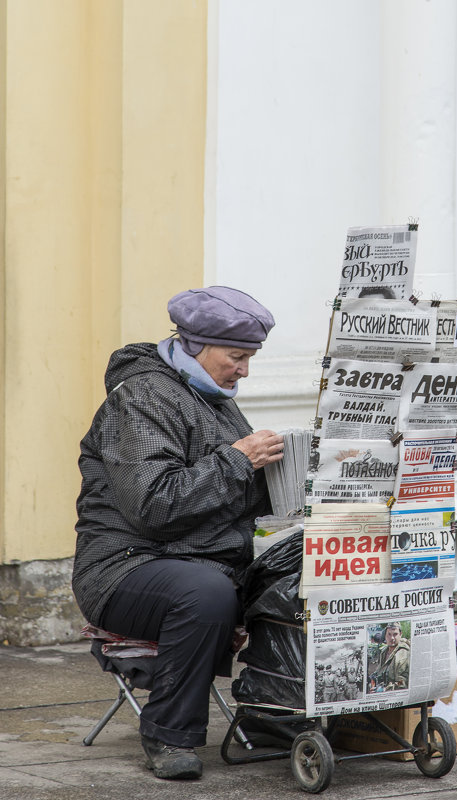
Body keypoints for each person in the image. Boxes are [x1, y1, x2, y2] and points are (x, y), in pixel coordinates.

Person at [72, 286, 285, 781]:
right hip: (125, 566)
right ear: (196, 345)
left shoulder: (215, 399)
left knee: (297, 577)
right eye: (237, 357)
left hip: (206, 559)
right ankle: (169, 734)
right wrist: (239, 460)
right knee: (205, 593)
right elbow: (154, 507)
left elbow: (231, 492)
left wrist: (293, 481)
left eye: (250, 358)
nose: (244, 370)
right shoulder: (143, 398)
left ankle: (281, 720)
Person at [373, 621, 410, 691]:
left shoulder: (403, 654)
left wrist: (385, 689)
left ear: (400, 634)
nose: (392, 638)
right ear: (385, 635)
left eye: (395, 634)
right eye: (389, 634)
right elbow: (379, 670)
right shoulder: (384, 651)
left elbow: (402, 682)